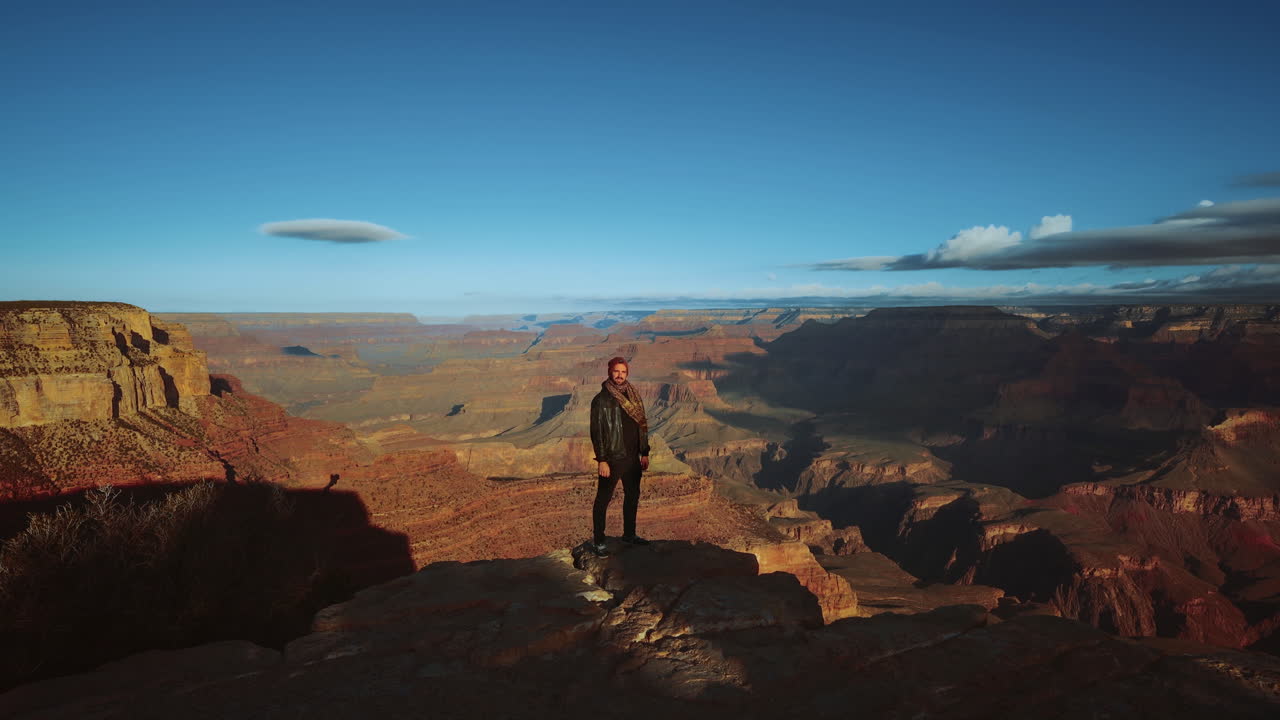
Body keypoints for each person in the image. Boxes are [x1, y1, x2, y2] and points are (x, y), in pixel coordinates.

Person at [588, 356, 650, 556]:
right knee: (603, 500)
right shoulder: (601, 400)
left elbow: (641, 425)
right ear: (609, 372)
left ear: (627, 374)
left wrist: (644, 452)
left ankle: (629, 535)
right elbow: (597, 433)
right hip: (613, 458)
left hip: (633, 457)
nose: (619, 375)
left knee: (632, 497)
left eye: (623, 372)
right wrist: (602, 459)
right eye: (616, 371)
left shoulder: (633, 395)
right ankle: (599, 542)